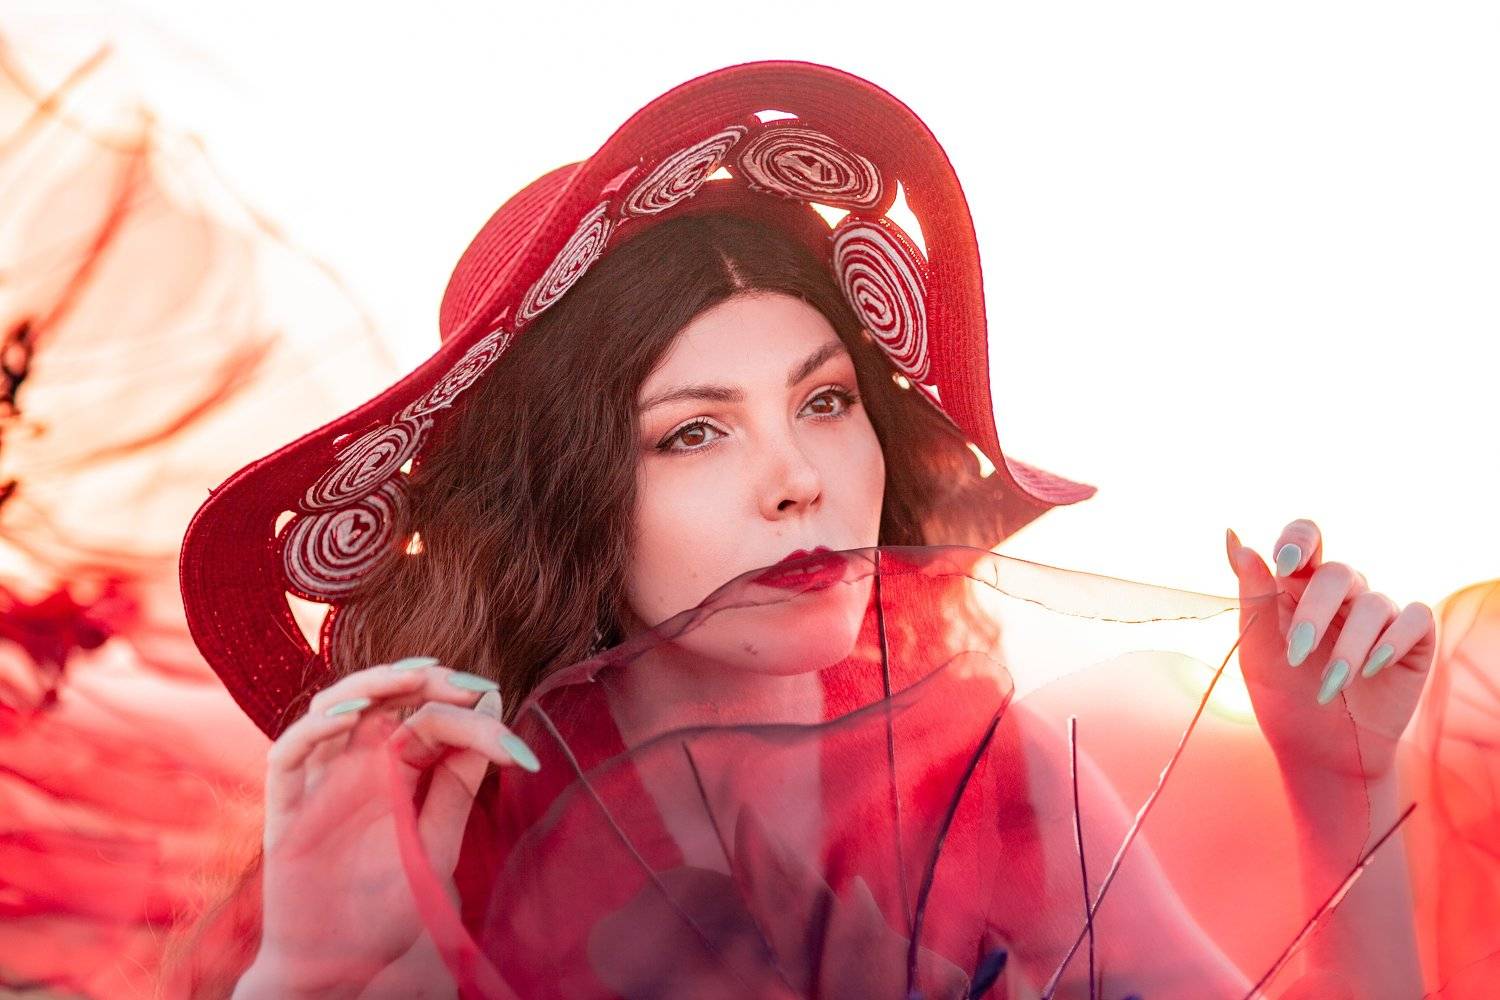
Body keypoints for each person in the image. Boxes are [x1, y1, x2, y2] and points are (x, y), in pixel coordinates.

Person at [167, 62, 1493, 998]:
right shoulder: (452, 836)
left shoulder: (998, 787)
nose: (797, 479)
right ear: (565, 503)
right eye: (693, 432)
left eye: (824, 400)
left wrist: (1340, 785)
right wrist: (310, 978)